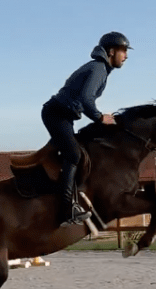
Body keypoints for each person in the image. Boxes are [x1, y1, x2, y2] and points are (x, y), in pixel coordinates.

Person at [41, 31, 131, 226]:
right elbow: (86, 98)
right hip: (57, 115)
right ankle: (65, 209)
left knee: (79, 150)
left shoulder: (101, 69)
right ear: (111, 51)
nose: (126, 55)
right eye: (123, 51)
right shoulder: (98, 68)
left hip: (63, 116)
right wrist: (99, 117)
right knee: (73, 155)